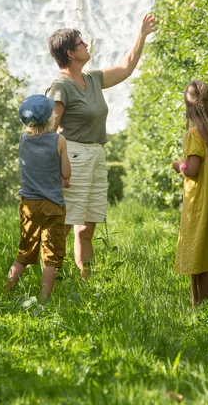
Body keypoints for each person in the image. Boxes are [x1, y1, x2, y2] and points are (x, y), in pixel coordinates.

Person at [45, 14, 156, 279]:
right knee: (64, 225)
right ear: (70, 53)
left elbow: (126, 68)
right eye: (81, 43)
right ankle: (54, 281)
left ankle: (87, 283)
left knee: (87, 227)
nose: (87, 46)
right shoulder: (60, 86)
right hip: (72, 155)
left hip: (96, 153)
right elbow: (49, 131)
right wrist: (57, 168)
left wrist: (141, 34)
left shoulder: (92, 78)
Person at [6, 95, 71, 302]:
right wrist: (62, 177)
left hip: (29, 205)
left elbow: (36, 168)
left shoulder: (23, 139)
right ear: (50, 117)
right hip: (53, 205)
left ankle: (6, 291)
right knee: (50, 256)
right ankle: (44, 300)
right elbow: (66, 173)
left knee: (25, 251)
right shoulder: (59, 140)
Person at [172, 81, 208, 306]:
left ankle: (200, 307)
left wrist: (178, 165)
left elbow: (191, 170)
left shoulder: (195, 134)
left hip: (200, 204)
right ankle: (201, 307)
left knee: (199, 253)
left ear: (188, 107)